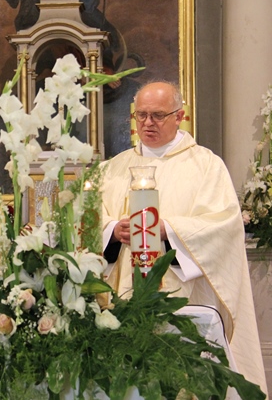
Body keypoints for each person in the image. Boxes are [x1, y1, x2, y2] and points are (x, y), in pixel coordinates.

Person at [100, 81, 267, 394]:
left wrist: (169, 230)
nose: (148, 123)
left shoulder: (205, 165)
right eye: (141, 115)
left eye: (158, 115)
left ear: (179, 116)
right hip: (123, 295)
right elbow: (91, 220)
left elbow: (222, 225)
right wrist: (112, 230)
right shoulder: (114, 168)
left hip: (183, 294)